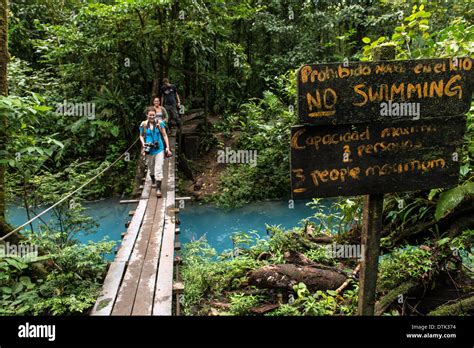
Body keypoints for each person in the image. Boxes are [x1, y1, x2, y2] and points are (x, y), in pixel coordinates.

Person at [139, 106, 172, 198]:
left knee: (158, 168)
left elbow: (165, 135)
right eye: (150, 115)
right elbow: (141, 136)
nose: (152, 117)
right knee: (151, 168)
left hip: (159, 149)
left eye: (153, 115)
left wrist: (167, 148)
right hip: (149, 150)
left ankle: (158, 189)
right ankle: (153, 179)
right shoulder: (143, 124)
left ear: (155, 115)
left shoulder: (160, 123)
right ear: (147, 115)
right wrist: (143, 143)